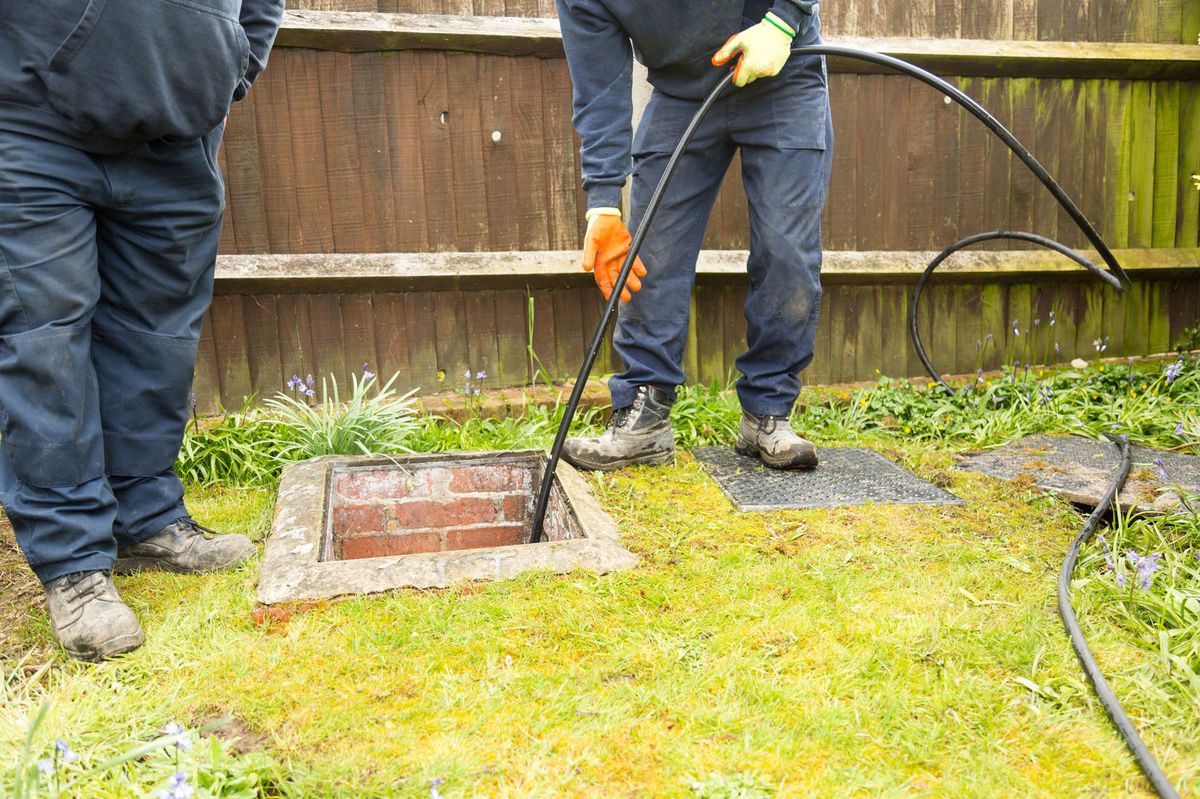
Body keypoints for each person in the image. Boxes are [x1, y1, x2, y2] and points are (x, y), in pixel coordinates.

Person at [0, 0, 285, 661]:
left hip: (178, 135)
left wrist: (229, 71)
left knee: (156, 337)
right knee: (42, 344)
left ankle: (145, 518)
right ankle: (74, 564)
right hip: (30, 122)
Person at [555, 0, 833, 472]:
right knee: (650, 254)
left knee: (788, 253)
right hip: (682, 92)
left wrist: (782, 20)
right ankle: (645, 419)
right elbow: (598, 85)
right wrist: (602, 202)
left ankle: (767, 411)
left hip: (782, 71)